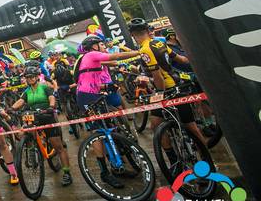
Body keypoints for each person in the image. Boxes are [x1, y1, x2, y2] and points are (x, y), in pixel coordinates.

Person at [128, 19, 208, 149]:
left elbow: (157, 76)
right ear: (147, 31)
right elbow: (182, 59)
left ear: (132, 35)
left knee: (157, 126)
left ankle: (172, 158)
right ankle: (207, 158)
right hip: (178, 84)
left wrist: (160, 93)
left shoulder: (145, 50)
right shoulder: (158, 43)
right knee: (191, 127)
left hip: (167, 89)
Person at [75, 34, 141, 188]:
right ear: (94, 46)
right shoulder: (91, 54)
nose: (104, 46)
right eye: (101, 44)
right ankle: (104, 172)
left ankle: (117, 165)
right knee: (98, 133)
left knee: (108, 129)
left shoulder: (94, 58)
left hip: (97, 92)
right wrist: (139, 52)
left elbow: (113, 63)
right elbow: (115, 56)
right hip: (86, 97)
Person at [11, 67, 73, 186]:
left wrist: (51, 106)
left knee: (58, 147)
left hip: (47, 115)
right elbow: (20, 101)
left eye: (32, 77)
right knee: (23, 133)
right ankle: (32, 150)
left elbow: (51, 97)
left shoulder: (44, 87)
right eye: (27, 77)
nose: (30, 79)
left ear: (37, 77)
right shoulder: (27, 91)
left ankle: (67, 173)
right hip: (34, 117)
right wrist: (11, 108)